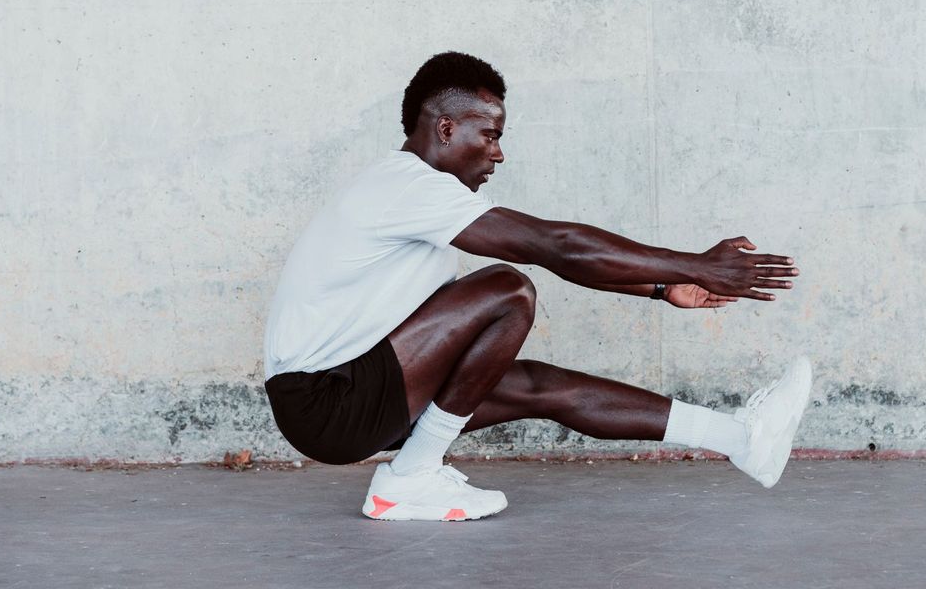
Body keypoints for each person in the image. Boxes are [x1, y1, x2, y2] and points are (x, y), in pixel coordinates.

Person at [262, 51, 812, 522]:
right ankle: (412, 476)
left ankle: (743, 440)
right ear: (447, 128)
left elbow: (561, 254)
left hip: (351, 397)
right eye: (491, 134)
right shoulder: (406, 187)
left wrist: (663, 287)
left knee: (540, 386)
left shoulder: (423, 196)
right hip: (327, 400)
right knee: (507, 290)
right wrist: (695, 265)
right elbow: (555, 246)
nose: (498, 153)